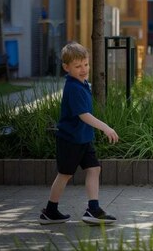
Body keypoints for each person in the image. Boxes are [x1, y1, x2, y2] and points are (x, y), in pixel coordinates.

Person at [39, 42, 119, 225]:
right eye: (78, 66)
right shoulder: (73, 88)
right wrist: (106, 127)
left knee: (94, 169)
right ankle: (50, 212)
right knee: (65, 174)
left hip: (83, 139)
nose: (83, 69)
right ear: (66, 68)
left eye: (86, 64)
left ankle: (93, 209)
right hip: (70, 140)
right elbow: (84, 116)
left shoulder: (82, 84)